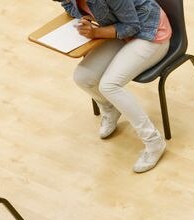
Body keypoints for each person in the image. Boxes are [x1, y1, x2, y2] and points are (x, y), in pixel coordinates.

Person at [55, 0, 172, 173]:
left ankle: (154, 141)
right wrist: (85, 17)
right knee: (82, 77)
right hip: (119, 31)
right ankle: (110, 109)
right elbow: (69, 6)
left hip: (149, 32)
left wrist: (95, 32)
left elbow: (132, 26)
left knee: (109, 86)